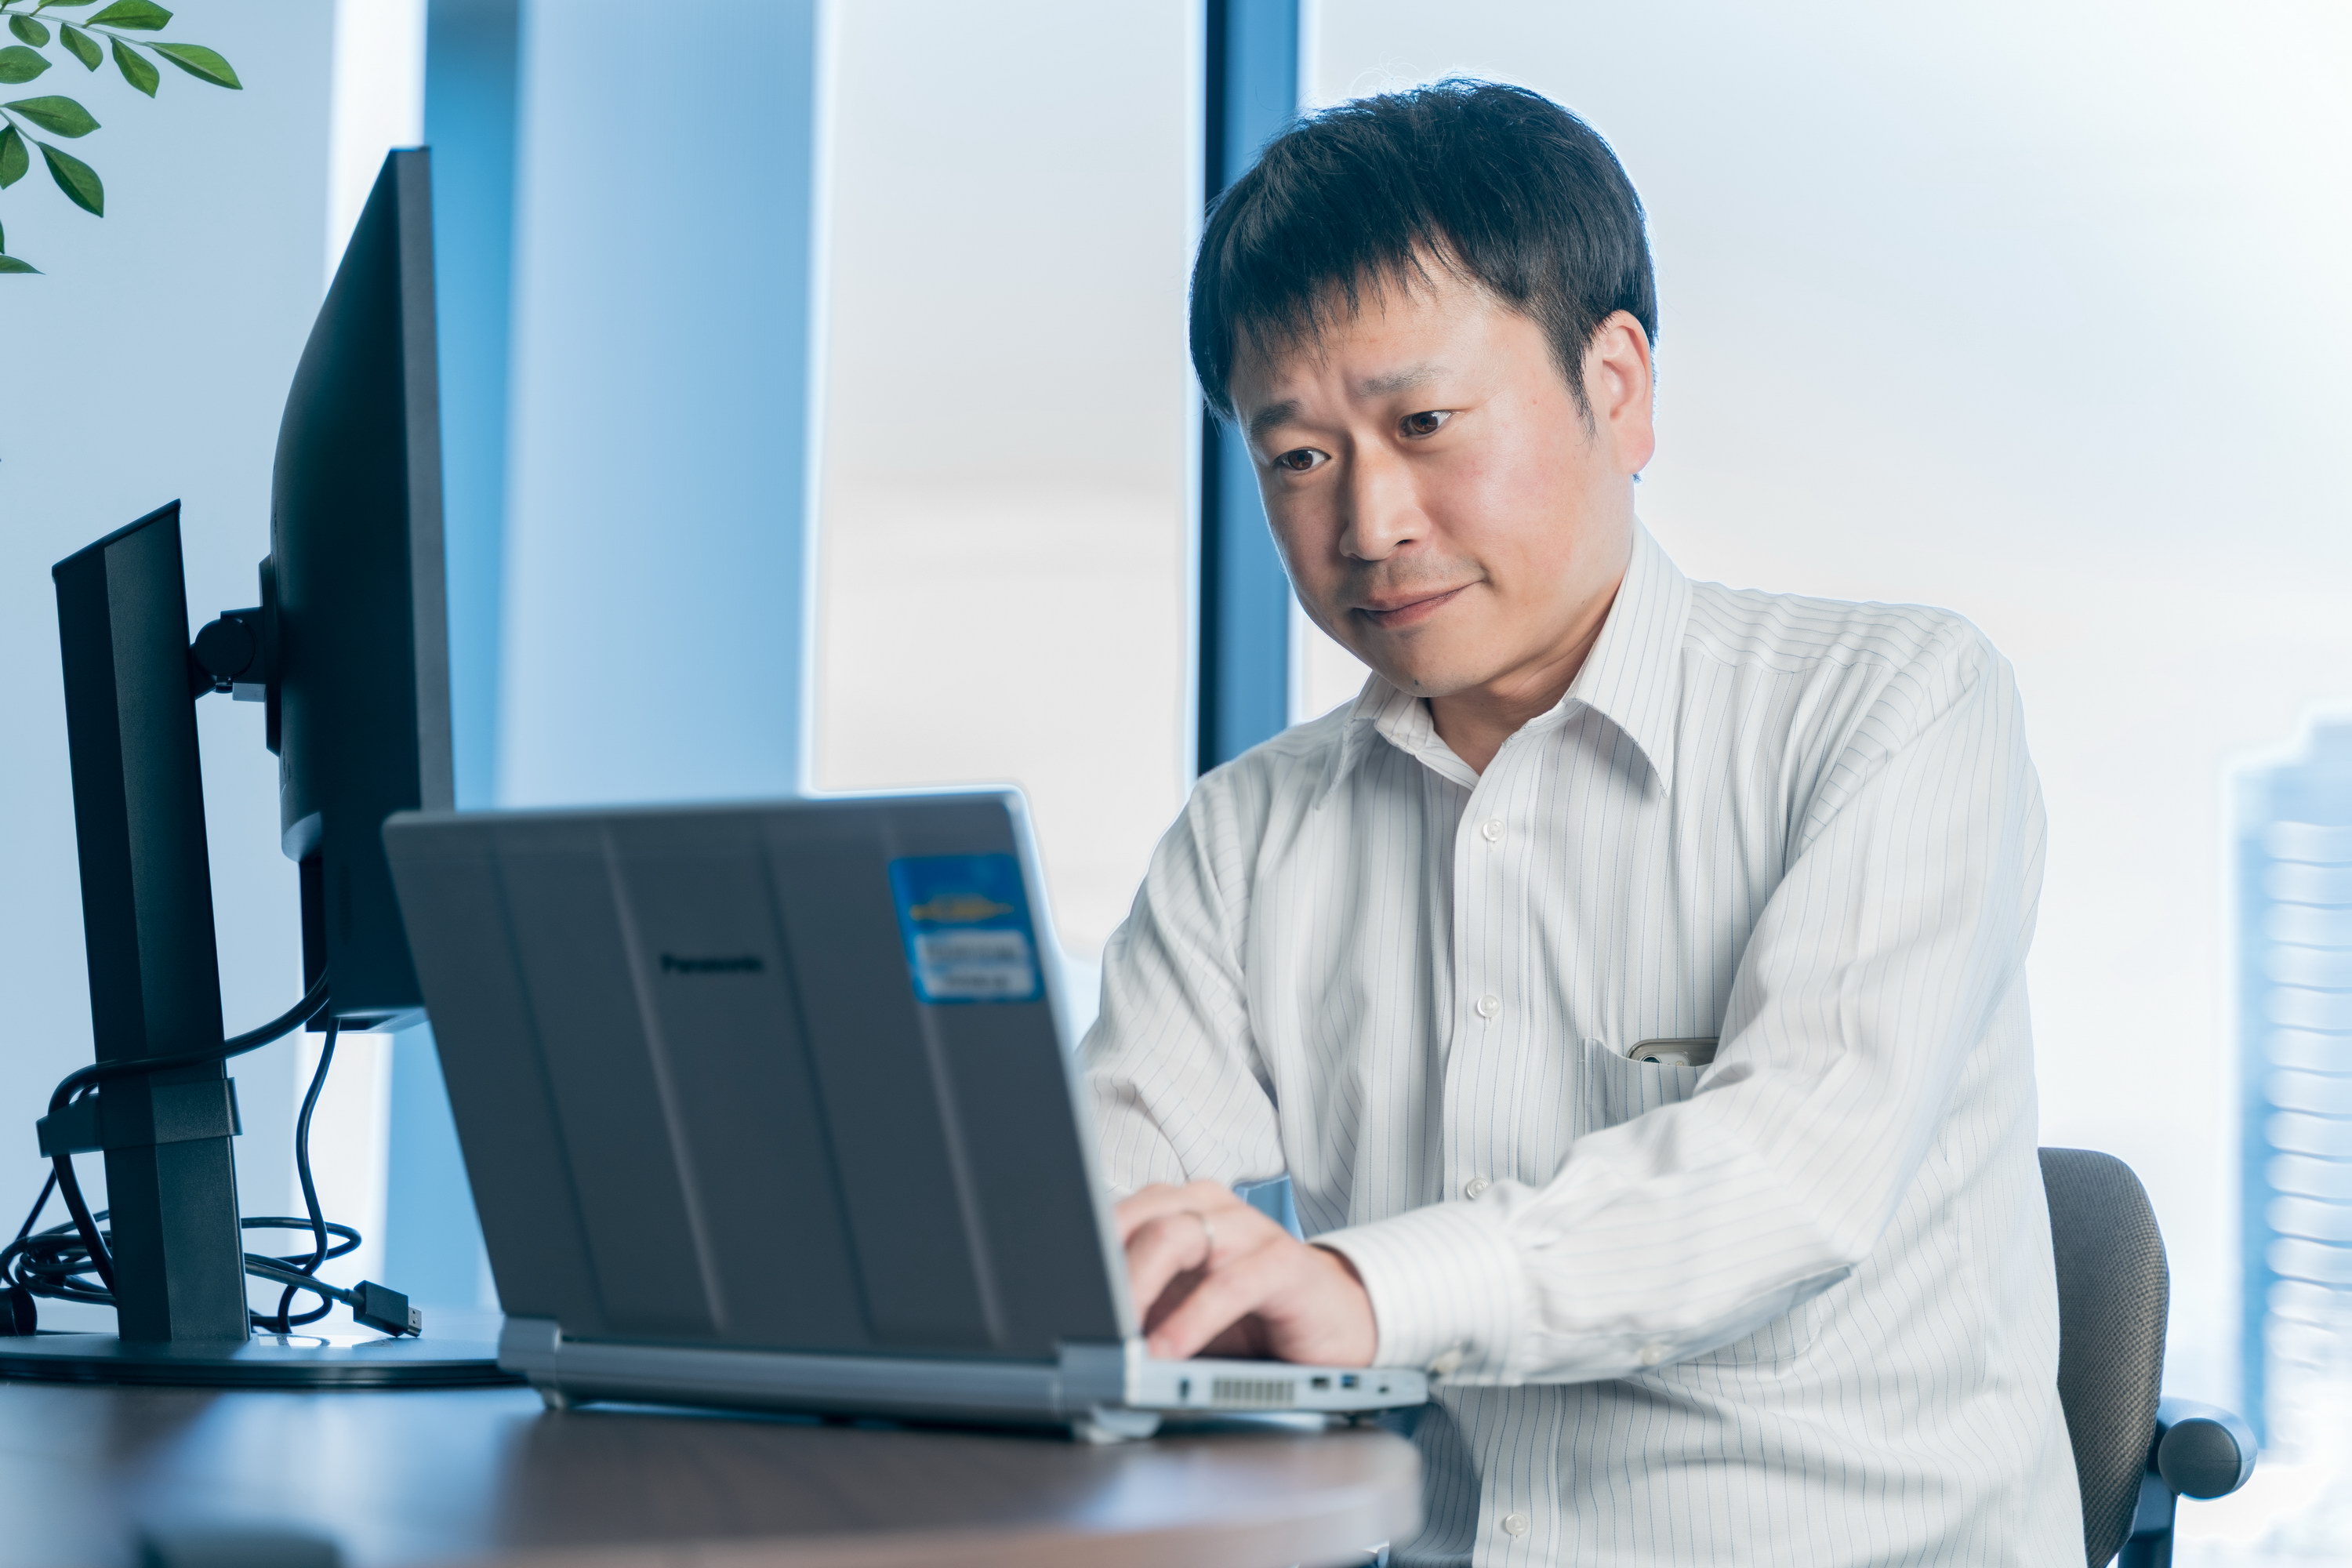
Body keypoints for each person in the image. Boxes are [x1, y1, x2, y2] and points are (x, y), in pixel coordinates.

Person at [1081, 79, 2082, 1566]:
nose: (1370, 523)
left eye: (1425, 423)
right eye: (1298, 457)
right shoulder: (1250, 833)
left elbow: (1792, 1175)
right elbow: (1093, 1216)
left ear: (1615, 387)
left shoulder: (1893, 707)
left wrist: (1359, 1292)